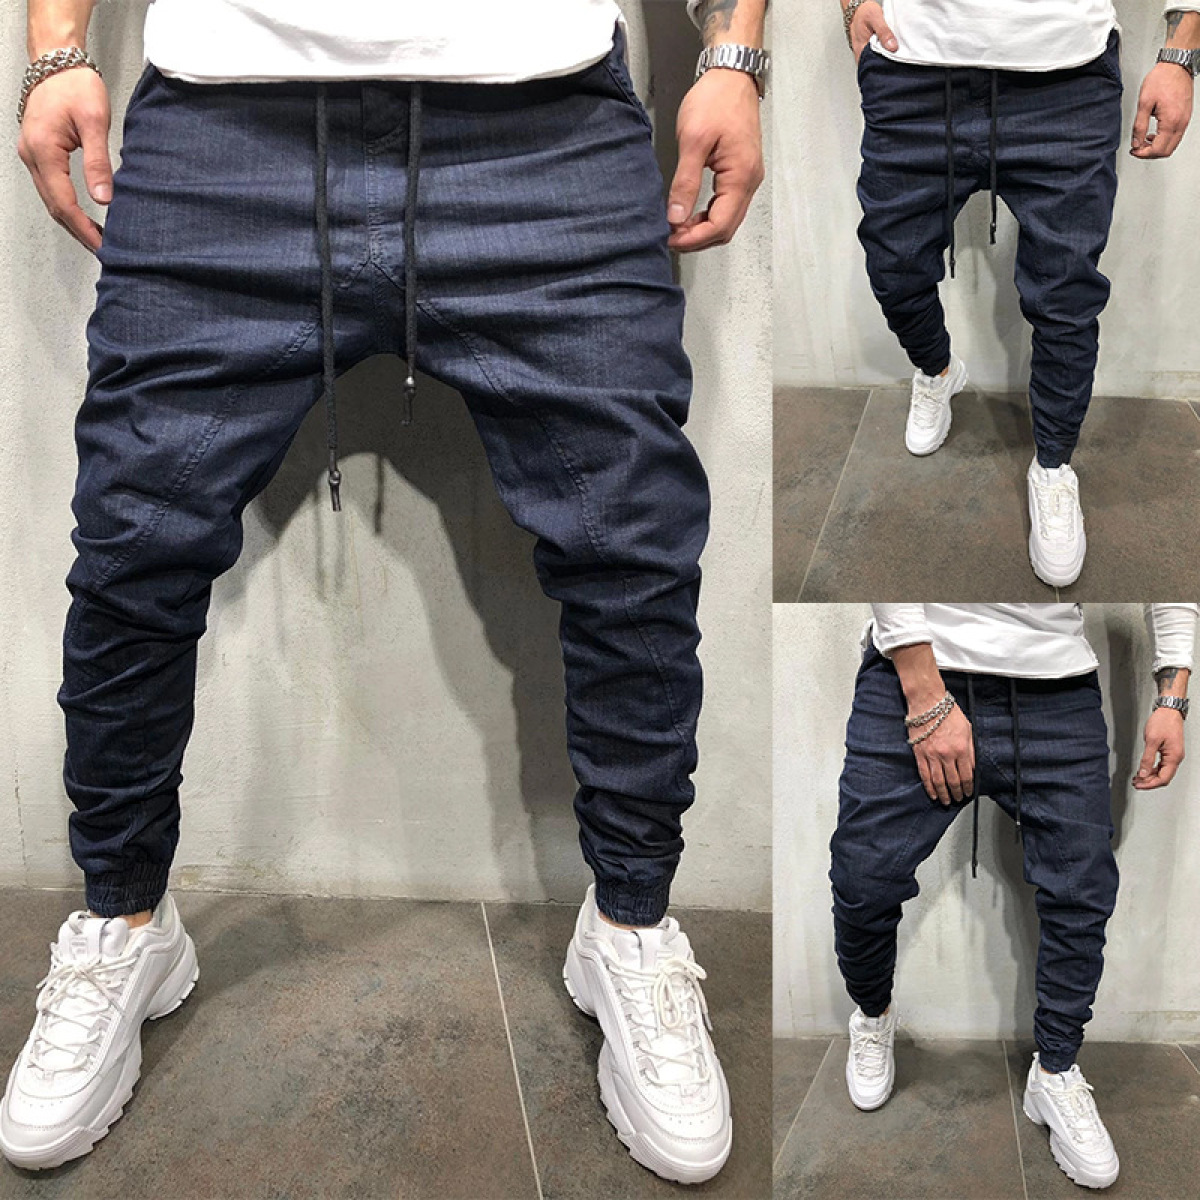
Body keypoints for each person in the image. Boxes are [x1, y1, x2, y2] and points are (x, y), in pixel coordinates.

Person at [1, 0, 769, 1183]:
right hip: (223, 129)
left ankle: (629, 926)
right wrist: (55, 48)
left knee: (637, 552)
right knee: (130, 546)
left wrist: (732, 50)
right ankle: (124, 924)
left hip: (545, 125)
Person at [830, 602, 1197, 1191]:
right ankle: (873, 1016)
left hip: (1058, 688)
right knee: (863, 879)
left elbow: (1175, 567)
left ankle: (1055, 1073)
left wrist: (1172, 695)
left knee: (1082, 896)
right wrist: (925, 691)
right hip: (916, 670)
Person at [839, 2, 1200, 588]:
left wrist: (1181, 51)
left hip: (1066, 76)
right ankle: (938, 370)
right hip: (913, 72)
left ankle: (1053, 467)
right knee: (894, 266)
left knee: (1066, 300)